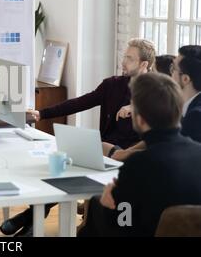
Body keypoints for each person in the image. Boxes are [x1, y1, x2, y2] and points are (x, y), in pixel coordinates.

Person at [0, 38, 156, 237]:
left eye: (129, 58)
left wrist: (136, 107)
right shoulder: (113, 85)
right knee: (63, 169)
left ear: (144, 64)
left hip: (129, 158)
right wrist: (42, 113)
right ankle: (33, 219)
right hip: (104, 150)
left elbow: (164, 121)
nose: (123, 61)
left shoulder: (156, 92)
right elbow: (81, 102)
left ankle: (29, 220)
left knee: (72, 174)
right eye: (124, 56)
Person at [78, 73, 201, 237]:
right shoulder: (198, 151)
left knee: (96, 205)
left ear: (140, 120)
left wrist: (108, 201)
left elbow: (122, 221)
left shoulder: (139, 164)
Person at [109, 45, 201, 161]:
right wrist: (126, 152)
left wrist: (128, 154)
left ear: (185, 79)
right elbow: (162, 136)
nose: (169, 73)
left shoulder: (196, 116)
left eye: (173, 69)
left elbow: (173, 154)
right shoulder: (186, 104)